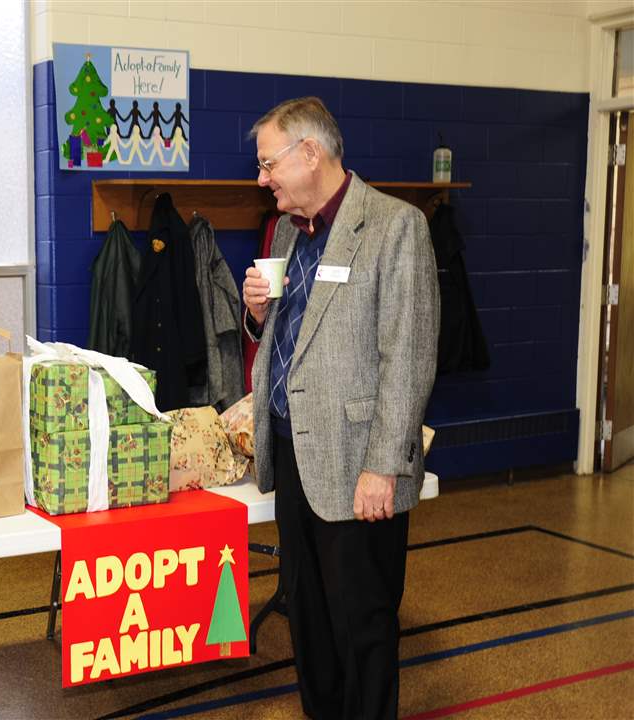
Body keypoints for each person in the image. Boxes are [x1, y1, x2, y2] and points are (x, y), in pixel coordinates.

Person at [241, 97, 438, 719]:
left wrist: (384, 466)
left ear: (310, 153)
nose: (262, 179)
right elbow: (289, 339)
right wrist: (258, 316)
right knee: (309, 619)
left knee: (362, 625)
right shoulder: (285, 231)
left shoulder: (395, 226)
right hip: (293, 454)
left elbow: (408, 357)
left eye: (268, 163)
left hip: (359, 466)